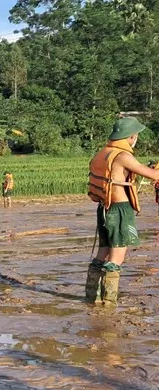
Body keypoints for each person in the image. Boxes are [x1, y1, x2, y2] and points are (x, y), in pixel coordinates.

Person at [85, 117, 159, 305]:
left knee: (103, 252)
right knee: (117, 254)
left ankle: (91, 296)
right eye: (136, 136)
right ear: (131, 137)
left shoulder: (104, 152)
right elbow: (154, 176)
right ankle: (109, 302)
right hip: (120, 208)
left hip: (104, 207)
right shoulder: (124, 156)